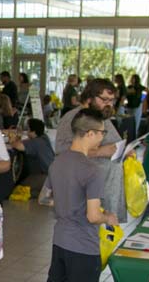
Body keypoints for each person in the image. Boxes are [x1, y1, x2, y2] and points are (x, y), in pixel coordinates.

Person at [44, 108, 119, 282]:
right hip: (83, 245)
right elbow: (93, 216)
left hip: (60, 241)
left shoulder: (58, 162)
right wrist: (108, 217)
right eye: (102, 132)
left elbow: (44, 198)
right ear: (90, 134)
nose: (103, 137)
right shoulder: (92, 170)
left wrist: (65, 201)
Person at [54, 79, 126, 221]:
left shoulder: (101, 117)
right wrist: (99, 152)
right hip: (84, 195)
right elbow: (61, 150)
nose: (109, 104)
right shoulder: (73, 118)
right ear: (89, 98)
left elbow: (115, 142)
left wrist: (125, 150)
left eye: (112, 100)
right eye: (104, 99)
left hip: (106, 192)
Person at [11, 118, 55, 196]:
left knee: (19, 187)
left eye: (28, 129)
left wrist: (13, 139)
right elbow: (27, 141)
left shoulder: (35, 143)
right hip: (53, 175)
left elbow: (17, 146)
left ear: (33, 131)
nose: (27, 132)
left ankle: (40, 192)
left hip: (44, 177)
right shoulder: (44, 138)